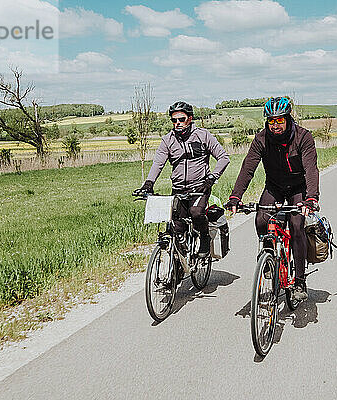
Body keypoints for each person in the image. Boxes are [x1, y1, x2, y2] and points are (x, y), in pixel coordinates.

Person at [225, 97, 319, 301]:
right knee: (261, 219)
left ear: (287, 119)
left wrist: (311, 198)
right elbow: (248, 168)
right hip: (274, 186)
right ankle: (268, 256)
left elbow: (311, 169)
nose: (275, 125)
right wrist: (235, 196)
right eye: (271, 121)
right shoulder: (261, 139)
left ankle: (300, 281)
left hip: (298, 187)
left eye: (279, 121)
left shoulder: (303, 137)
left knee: (296, 224)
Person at [133, 101, 230, 258]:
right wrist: (148, 183)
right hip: (178, 188)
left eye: (181, 119)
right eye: (174, 120)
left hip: (200, 187)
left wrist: (211, 178)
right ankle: (177, 267)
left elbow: (223, 158)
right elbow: (158, 163)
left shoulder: (203, 135)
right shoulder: (168, 140)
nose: (177, 123)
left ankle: (204, 236)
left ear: (190, 118)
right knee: (176, 227)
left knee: (196, 213)